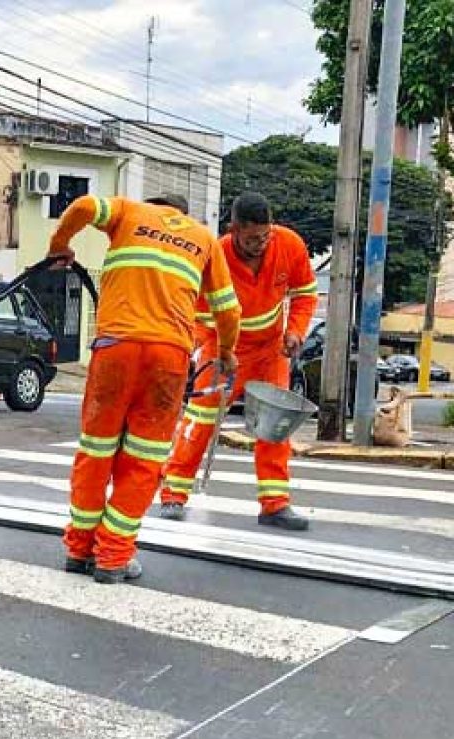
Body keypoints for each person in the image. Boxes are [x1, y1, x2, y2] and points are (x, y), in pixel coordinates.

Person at [47, 192, 240, 584]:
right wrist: (227, 353)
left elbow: (84, 206)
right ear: (180, 213)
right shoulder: (203, 238)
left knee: (96, 452)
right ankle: (113, 557)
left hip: (115, 348)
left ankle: (79, 549)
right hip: (167, 359)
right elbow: (229, 309)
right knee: (143, 460)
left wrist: (59, 246)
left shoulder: (128, 212)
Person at [160, 192, 318, 531]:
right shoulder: (214, 255)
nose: (259, 244)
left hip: (271, 349)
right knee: (202, 419)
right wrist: (223, 351)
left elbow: (305, 294)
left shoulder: (289, 244)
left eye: (265, 236)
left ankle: (275, 504)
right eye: (251, 239)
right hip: (221, 346)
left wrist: (295, 332)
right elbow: (201, 312)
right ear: (234, 230)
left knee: (276, 425)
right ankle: (174, 492)